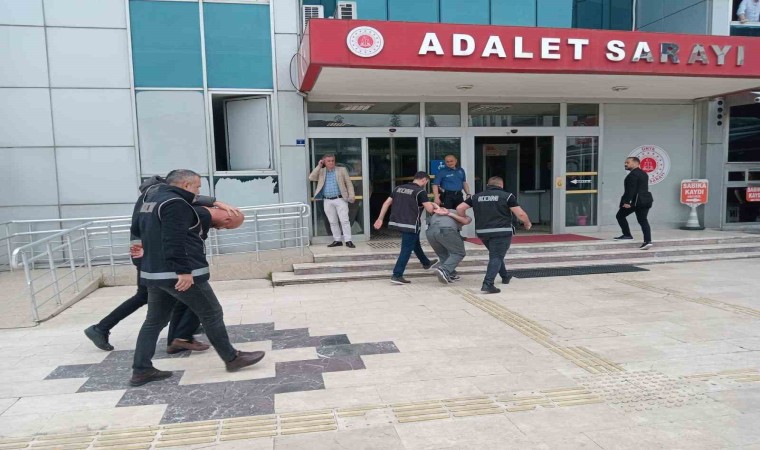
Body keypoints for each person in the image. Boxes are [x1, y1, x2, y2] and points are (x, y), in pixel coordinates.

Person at [129, 169, 264, 387]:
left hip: (153, 272)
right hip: (177, 274)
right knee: (211, 313)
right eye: (197, 187)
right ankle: (232, 358)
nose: (198, 191)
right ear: (186, 185)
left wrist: (141, 259)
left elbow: (137, 229)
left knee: (154, 321)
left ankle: (141, 370)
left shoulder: (150, 200)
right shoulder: (175, 204)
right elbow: (174, 240)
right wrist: (183, 271)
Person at [84, 176, 240, 353]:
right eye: (195, 187)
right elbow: (151, 228)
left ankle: (181, 334)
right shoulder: (158, 197)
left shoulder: (152, 196)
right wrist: (215, 202)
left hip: (150, 254)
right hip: (150, 256)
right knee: (150, 296)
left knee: (176, 294)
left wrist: (215, 202)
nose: (195, 191)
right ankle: (102, 328)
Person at [457, 176, 532, 294]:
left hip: (482, 232)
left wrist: (463, 218)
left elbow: (460, 207)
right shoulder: (507, 196)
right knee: (496, 256)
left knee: (496, 254)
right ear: (501, 185)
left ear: (488, 185)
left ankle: (505, 276)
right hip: (501, 231)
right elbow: (521, 214)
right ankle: (488, 284)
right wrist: (527, 223)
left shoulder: (476, 197)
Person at [373, 171, 438, 285]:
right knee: (406, 250)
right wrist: (435, 206)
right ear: (424, 180)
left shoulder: (398, 188)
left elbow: (386, 203)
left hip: (398, 222)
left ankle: (426, 263)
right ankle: (397, 275)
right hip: (411, 224)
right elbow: (430, 210)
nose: (425, 184)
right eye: (426, 182)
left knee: (415, 243)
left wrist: (380, 218)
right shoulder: (420, 192)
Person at [309, 154, 356, 248]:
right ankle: (337, 240)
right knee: (332, 221)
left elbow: (349, 183)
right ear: (324, 162)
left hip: (340, 199)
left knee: (344, 220)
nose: (331, 162)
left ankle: (348, 240)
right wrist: (319, 166)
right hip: (327, 200)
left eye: (332, 160)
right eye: (328, 161)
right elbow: (311, 177)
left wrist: (351, 196)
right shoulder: (321, 171)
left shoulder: (342, 170)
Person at [614, 157, 654, 250]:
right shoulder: (643, 173)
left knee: (620, 216)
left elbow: (631, 190)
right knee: (643, 220)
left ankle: (627, 235)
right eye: (625, 162)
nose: (625, 164)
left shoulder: (633, 175)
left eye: (628, 162)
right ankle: (647, 241)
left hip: (636, 201)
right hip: (646, 200)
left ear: (636, 163)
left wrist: (627, 202)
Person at [426, 207, 471, 284]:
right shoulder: (459, 214)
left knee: (442, 254)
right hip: (445, 230)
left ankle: (451, 274)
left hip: (430, 232)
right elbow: (466, 221)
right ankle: (444, 269)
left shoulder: (439, 211)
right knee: (459, 253)